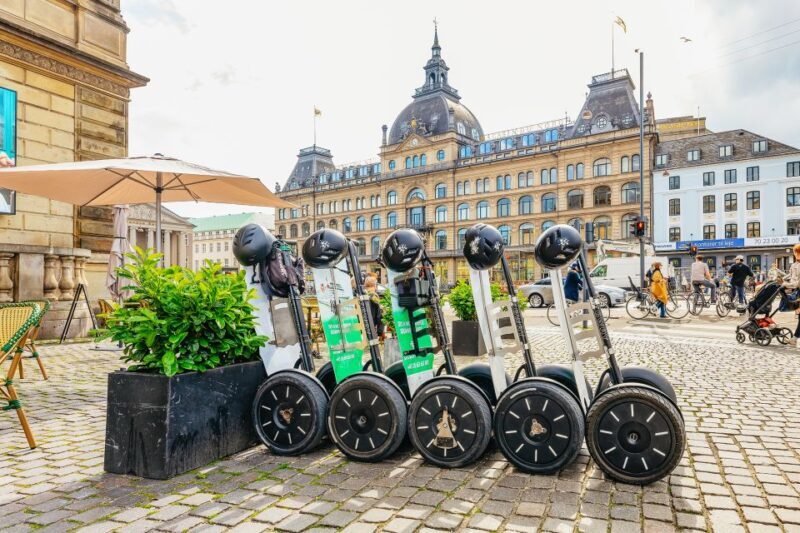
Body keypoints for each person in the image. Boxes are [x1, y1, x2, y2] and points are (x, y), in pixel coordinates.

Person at [781, 243, 800, 346]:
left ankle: (794, 339)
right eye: (795, 252)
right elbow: (791, 275)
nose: (796, 254)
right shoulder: (794, 264)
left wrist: (786, 284)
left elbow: (797, 283)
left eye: (797, 252)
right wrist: (782, 278)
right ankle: (794, 339)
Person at [364, 276, 384, 341]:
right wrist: (380, 331)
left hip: (363, 326)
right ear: (374, 285)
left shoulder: (362, 294)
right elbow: (380, 314)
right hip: (372, 327)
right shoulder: (374, 296)